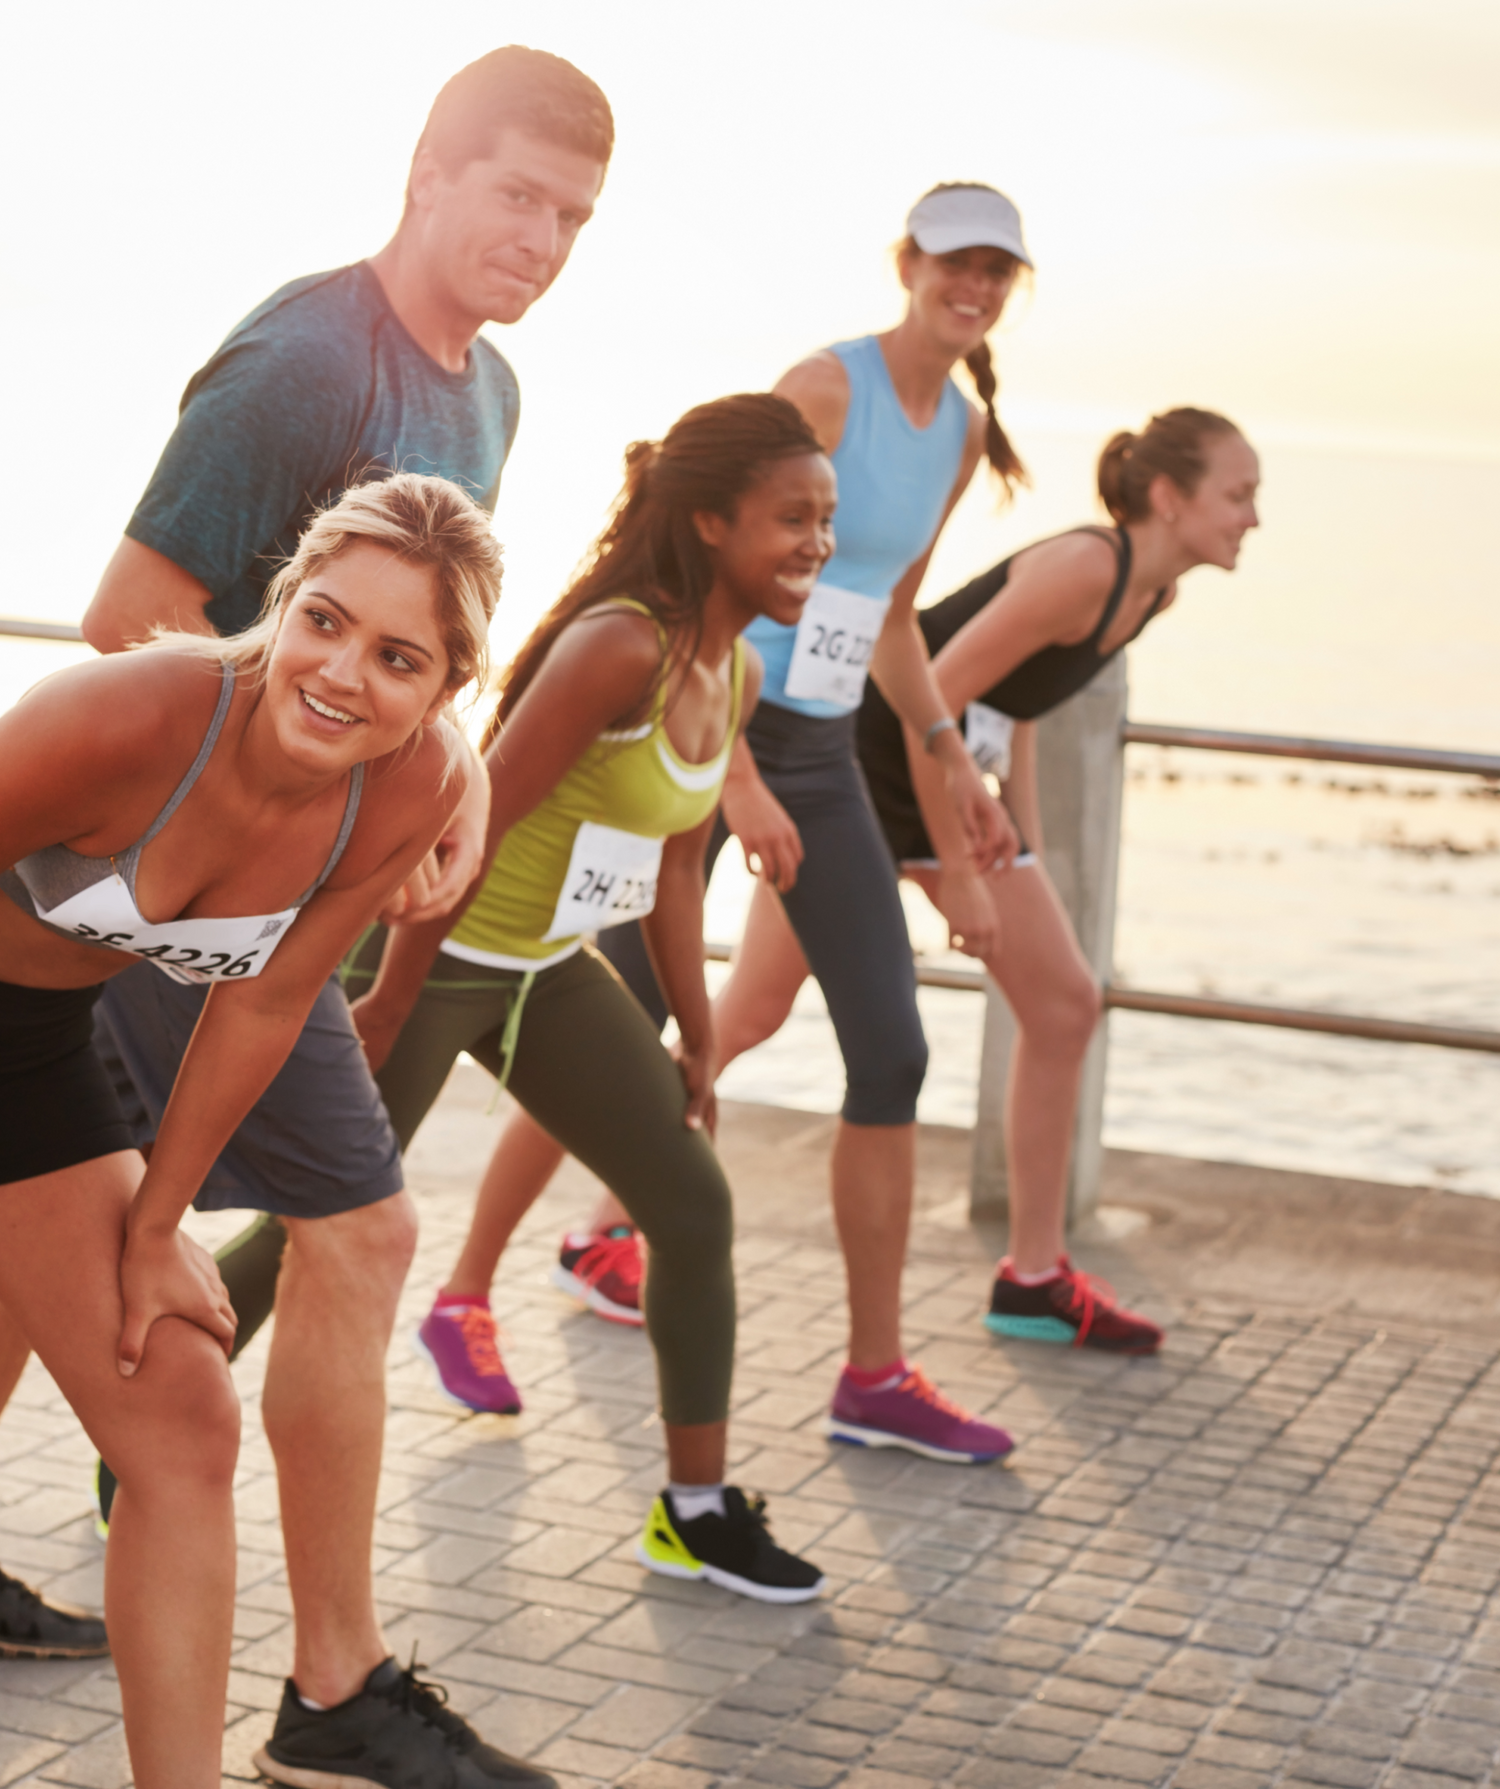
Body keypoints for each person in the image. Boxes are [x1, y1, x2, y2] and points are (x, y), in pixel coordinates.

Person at [6, 41, 611, 1789]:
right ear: (427, 171)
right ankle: (335, 1692)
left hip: (62, 1001)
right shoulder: (300, 358)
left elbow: (420, 692)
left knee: (163, 1371)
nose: (543, 238)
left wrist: (449, 776)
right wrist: (196, 858)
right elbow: (135, 615)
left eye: (572, 217)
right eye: (516, 194)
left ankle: (286, 1711)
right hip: (110, 887)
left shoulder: (484, 394)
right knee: (358, 1231)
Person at [415, 181, 1026, 1465]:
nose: (975, 287)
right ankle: (467, 1291)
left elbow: (892, 615)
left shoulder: (962, 430)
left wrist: (946, 766)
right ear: (909, 262)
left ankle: (872, 1375)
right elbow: (733, 570)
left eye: (999, 271)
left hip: (813, 745)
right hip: (703, 738)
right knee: (599, 1019)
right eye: (956, 262)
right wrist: (725, 773)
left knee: (893, 1052)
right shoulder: (830, 389)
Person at [0, 472, 499, 1789]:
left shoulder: (406, 788)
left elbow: (267, 998)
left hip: (35, 1058)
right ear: (284, 603)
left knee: (180, 1418)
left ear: (445, 690)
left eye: (398, 658)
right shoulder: (125, 716)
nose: (342, 674)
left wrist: (158, 1224)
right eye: (326, 622)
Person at [344, 393, 836, 1603]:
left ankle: (695, 1513)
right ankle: (130, 1451)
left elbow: (675, 867)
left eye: (826, 520)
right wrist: (390, 1004)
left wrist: (703, 1032)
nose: (817, 542)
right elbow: (472, 825)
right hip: (427, 954)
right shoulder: (623, 645)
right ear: (713, 519)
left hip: (549, 974)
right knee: (324, 1237)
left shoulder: (740, 671)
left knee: (691, 1203)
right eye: (792, 518)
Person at [858, 408, 1260, 1348]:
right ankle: (604, 1230)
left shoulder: (1149, 594)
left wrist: (1022, 844)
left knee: (1067, 1005)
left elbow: (1019, 700)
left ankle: (1032, 1280)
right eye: (1238, 495)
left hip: (947, 784)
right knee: (751, 1010)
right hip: (868, 762)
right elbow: (934, 696)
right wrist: (960, 872)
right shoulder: (1088, 566)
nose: (1252, 518)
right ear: (1169, 497)